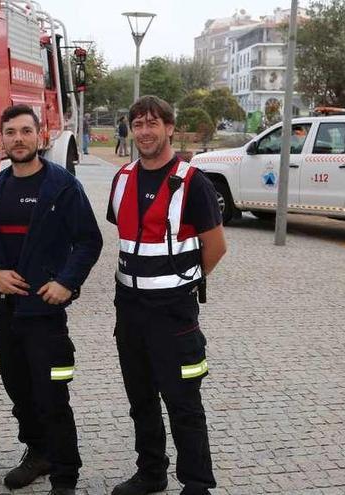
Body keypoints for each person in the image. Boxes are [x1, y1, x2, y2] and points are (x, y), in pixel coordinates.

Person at [0, 104, 103, 495]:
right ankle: (38, 451)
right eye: (10, 132)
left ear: (39, 135)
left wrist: (66, 282)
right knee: (18, 389)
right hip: (6, 314)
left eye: (25, 131)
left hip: (44, 315)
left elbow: (88, 241)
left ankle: (65, 476)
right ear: (2, 139)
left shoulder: (61, 186)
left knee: (51, 396)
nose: (18, 139)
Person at [106, 95, 227, 495]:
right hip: (130, 309)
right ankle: (151, 473)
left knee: (183, 402)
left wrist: (186, 280)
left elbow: (216, 246)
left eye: (153, 123)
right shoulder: (122, 179)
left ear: (170, 128)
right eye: (138, 123)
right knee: (141, 399)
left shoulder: (194, 182)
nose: (145, 131)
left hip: (173, 313)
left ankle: (196, 485)